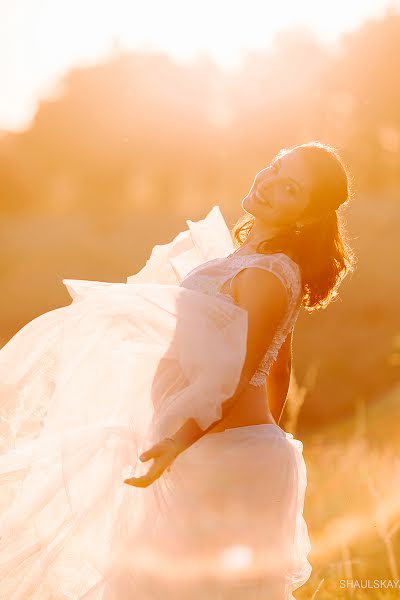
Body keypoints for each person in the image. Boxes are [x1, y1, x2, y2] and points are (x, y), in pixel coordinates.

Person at [0, 141, 355, 599]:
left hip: (221, 454)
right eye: (273, 168)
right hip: (212, 448)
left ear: (305, 215)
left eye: (289, 188)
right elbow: (279, 367)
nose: (268, 183)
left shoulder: (266, 275)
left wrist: (183, 441)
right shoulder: (248, 264)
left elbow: (235, 376)